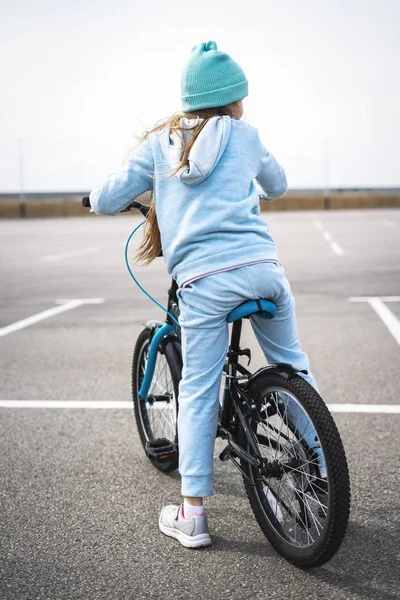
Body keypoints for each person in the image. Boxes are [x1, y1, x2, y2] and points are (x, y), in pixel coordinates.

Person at [90, 40, 324, 549]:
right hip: (265, 272)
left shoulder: (160, 144)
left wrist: (95, 197)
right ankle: (320, 460)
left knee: (197, 387)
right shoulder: (247, 136)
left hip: (205, 284)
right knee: (292, 361)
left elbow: (110, 195)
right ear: (233, 99)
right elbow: (278, 185)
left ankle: (192, 514)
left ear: (189, 100)